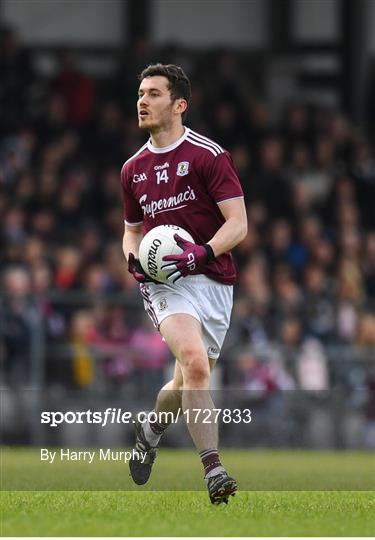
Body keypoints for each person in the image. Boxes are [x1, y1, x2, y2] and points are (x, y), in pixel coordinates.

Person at [121, 63, 247, 504]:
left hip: (213, 278)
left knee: (183, 383)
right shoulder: (132, 169)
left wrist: (204, 251)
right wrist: (132, 260)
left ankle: (149, 431)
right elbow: (132, 229)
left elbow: (238, 224)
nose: (142, 100)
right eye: (140, 93)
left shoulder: (208, 156)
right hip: (166, 283)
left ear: (179, 105)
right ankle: (214, 469)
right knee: (195, 363)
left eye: (154, 94)